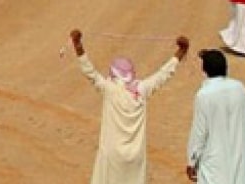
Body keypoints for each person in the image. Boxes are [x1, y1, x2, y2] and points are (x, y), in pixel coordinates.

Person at [71, 28, 189, 184]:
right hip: (136, 157)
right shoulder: (142, 89)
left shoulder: (109, 89)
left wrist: (77, 44)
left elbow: (90, 72)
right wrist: (181, 51)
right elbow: (164, 74)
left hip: (112, 155)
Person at [186, 49, 245, 184]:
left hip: (214, 165)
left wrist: (192, 161)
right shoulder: (240, 89)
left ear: (204, 70)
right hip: (240, 159)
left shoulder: (204, 95)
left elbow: (199, 132)